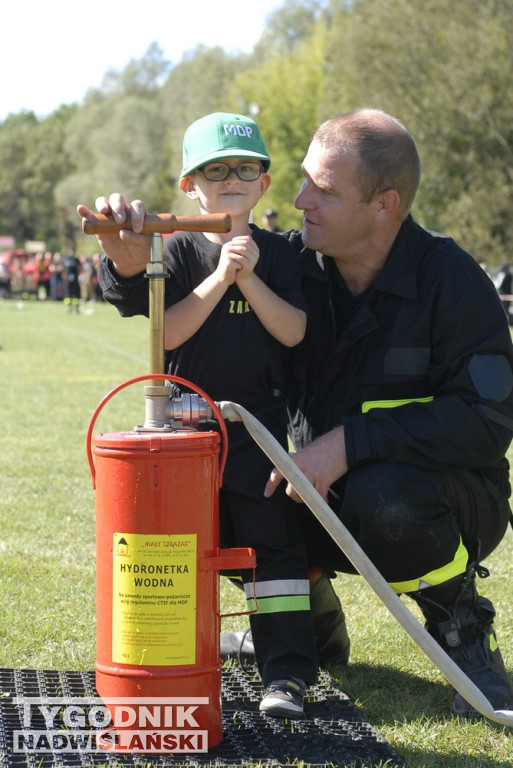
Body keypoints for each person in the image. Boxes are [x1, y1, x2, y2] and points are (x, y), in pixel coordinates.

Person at [262, 108, 513, 718]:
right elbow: (198, 268)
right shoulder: (289, 268)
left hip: (443, 501)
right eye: (304, 180)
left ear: (384, 205)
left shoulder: (452, 282)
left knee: (384, 492)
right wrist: (129, 264)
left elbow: (490, 422)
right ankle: (310, 626)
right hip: (313, 495)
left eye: (324, 189)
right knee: (224, 481)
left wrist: (352, 442)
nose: (300, 201)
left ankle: (463, 631)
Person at [77, 112, 323, 720]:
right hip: (186, 428)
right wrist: (220, 276)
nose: (232, 178)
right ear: (191, 184)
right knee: (181, 544)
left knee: (275, 549)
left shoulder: (282, 253)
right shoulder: (177, 248)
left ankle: (286, 674)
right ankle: (182, 659)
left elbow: (293, 332)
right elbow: (168, 336)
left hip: (257, 424)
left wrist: (251, 276)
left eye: (245, 168)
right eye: (217, 169)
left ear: (264, 184)